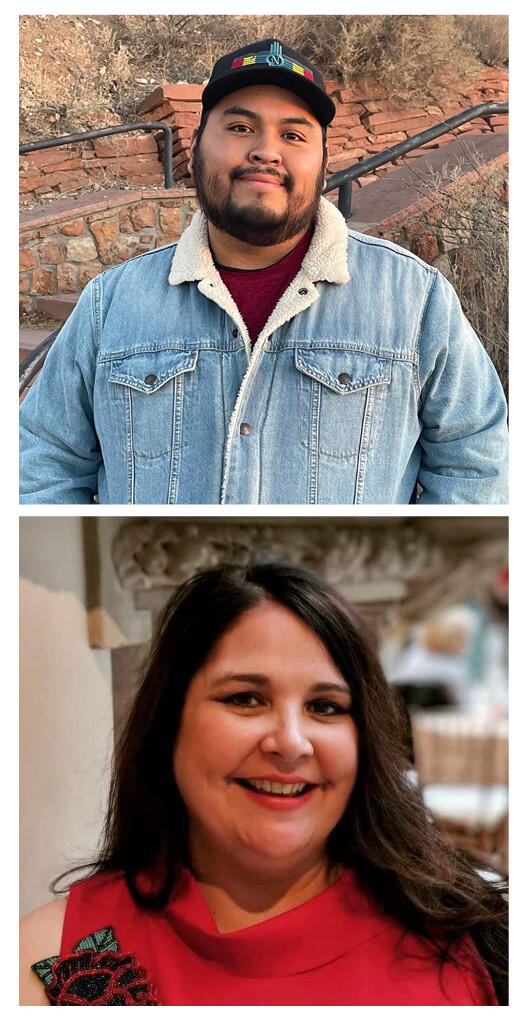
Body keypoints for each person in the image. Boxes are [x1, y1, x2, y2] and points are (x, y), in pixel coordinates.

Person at [19, 39, 508, 505]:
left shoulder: (416, 300)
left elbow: (478, 464)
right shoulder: (111, 304)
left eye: (293, 135)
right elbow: (42, 463)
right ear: (193, 150)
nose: (266, 151)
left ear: (323, 163)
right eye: (239, 128)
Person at [20, 562, 507, 1005]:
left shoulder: (485, 944)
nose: (291, 743)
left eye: (326, 707)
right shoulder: (43, 955)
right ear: (169, 723)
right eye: (246, 698)